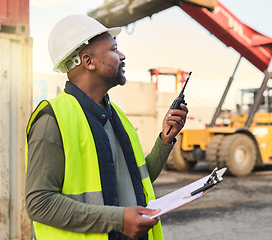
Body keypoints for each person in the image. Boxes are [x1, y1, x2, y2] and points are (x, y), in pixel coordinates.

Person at [24, 14, 188, 240]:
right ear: (88, 61)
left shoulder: (117, 116)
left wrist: (165, 140)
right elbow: (39, 203)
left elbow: (138, 180)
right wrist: (117, 220)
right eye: (113, 49)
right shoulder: (52, 119)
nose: (122, 55)